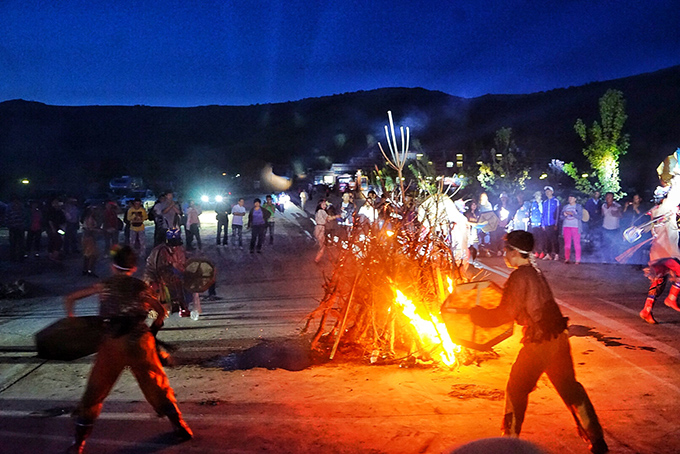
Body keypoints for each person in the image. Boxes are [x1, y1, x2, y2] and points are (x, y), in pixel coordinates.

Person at [468, 231, 608, 454]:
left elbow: (506, 313)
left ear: (514, 252)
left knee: (516, 388)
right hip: (559, 338)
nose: (505, 254)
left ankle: (509, 443)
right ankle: (597, 439)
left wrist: (478, 316)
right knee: (570, 388)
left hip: (540, 342)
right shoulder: (535, 272)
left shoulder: (520, 276)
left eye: (507, 250)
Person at [64, 245, 192, 453]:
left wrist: (72, 322)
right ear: (133, 267)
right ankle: (181, 427)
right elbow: (159, 312)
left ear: (113, 267)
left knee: (94, 392)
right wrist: (150, 329)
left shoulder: (105, 285)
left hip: (113, 344)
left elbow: (69, 298)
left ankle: (78, 444)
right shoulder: (141, 286)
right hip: (140, 343)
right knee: (157, 385)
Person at [639, 166, 680, 324]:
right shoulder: (667, 206)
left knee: (658, 281)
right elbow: (677, 190)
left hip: (657, 253)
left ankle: (646, 310)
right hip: (667, 252)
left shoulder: (656, 211)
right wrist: (676, 172)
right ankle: (671, 298)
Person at [144, 228, 191, 317]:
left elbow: (184, 262)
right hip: (155, 275)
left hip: (170, 273)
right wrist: (172, 276)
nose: (175, 247)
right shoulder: (160, 251)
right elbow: (159, 269)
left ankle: (183, 307)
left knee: (184, 284)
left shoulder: (179, 249)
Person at [313, 199, 340, 263]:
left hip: (319, 228)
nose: (325, 206)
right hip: (320, 229)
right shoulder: (321, 211)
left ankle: (320, 258)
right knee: (323, 246)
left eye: (325, 204)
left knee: (323, 245)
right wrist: (337, 216)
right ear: (320, 205)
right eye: (323, 204)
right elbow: (329, 218)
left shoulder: (319, 211)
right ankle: (317, 259)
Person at [561, 194, 584, 264]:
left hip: (575, 227)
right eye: (569, 197)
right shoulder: (565, 207)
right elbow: (561, 217)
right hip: (566, 226)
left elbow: (580, 217)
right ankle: (567, 258)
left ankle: (578, 259)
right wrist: (564, 215)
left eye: (572, 197)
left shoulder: (578, 206)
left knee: (576, 243)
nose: (570, 199)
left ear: (575, 199)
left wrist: (572, 214)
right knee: (567, 243)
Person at [600, 192, 622, 263]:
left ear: (613, 198)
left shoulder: (617, 206)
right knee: (605, 244)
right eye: (607, 197)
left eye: (610, 197)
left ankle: (615, 259)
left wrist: (616, 213)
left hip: (614, 228)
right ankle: (606, 259)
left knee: (614, 244)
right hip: (605, 227)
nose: (608, 198)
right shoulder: (603, 205)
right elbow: (602, 215)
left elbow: (621, 215)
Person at [81, 206, 101, 277]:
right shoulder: (90, 219)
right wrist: (98, 230)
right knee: (93, 255)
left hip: (86, 237)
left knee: (87, 254)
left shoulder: (86, 218)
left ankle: (85, 270)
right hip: (89, 238)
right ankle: (90, 270)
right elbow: (90, 229)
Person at [5, 195, 26, 262]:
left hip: (18, 226)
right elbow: (7, 217)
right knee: (15, 243)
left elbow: (24, 216)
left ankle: (17, 257)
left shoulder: (19, 206)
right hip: (15, 226)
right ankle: (15, 257)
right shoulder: (11, 207)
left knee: (18, 243)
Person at [541, 186, 560, 260]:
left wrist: (556, 224)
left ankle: (557, 254)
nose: (547, 193)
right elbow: (543, 213)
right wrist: (543, 224)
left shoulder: (556, 201)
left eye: (549, 191)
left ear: (552, 192)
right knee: (547, 239)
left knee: (555, 239)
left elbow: (557, 213)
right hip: (546, 224)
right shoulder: (545, 202)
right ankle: (548, 254)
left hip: (553, 224)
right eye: (546, 192)